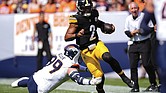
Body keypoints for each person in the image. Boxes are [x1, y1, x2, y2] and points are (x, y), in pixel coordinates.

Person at [64, 0, 134, 93]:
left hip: (96, 44)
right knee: (99, 76)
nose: (88, 10)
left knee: (108, 57)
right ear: (80, 9)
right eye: (85, 8)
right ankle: (100, 90)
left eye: (89, 8)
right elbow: (67, 37)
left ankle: (123, 77)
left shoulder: (94, 13)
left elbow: (96, 22)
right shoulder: (76, 19)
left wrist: (104, 26)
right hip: (85, 51)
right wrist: (77, 35)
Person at [11, 44, 101, 93]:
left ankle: (17, 83)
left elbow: (74, 66)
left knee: (28, 82)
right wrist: (91, 82)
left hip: (34, 77)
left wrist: (87, 69)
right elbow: (78, 80)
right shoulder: (70, 66)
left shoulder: (60, 55)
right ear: (74, 55)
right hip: (39, 89)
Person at [124, 2, 158, 92]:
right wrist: (132, 33)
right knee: (133, 66)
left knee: (147, 64)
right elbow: (126, 31)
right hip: (133, 43)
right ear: (129, 10)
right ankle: (135, 86)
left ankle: (153, 83)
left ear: (138, 8)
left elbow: (152, 28)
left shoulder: (143, 16)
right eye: (132, 8)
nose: (134, 10)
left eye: (135, 8)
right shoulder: (128, 19)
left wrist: (142, 30)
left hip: (144, 42)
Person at [140, 0, 166, 92]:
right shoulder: (154, 2)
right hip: (163, 42)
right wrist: (150, 29)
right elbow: (143, 25)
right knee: (163, 73)